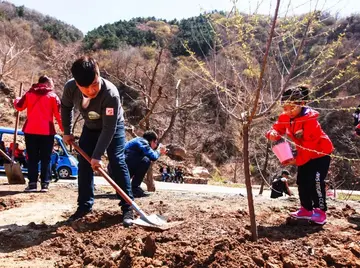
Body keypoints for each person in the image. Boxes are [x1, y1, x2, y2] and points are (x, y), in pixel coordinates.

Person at [61, 56, 134, 227]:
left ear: (98, 73)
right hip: (90, 126)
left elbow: (109, 129)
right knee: (84, 163)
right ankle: (84, 206)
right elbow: (65, 106)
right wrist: (67, 131)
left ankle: (128, 206)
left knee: (116, 160)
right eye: (86, 88)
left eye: (94, 84)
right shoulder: (70, 87)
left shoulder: (110, 94)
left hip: (113, 127)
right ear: (78, 85)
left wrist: (98, 155)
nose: (92, 91)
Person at [266, 85, 333, 225]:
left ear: (302, 104)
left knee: (315, 182)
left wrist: (295, 161)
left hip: (319, 154)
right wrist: (272, 134)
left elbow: (310, 147)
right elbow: (277, 128)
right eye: (285, 108)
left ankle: (320, 211)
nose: (288, 111)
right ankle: (306, 209)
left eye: (292, 108)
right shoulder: (286, 117)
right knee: (302, 181)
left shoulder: (309, 120)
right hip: (304, 152)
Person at [14, 75, 63, 192]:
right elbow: (59, 115)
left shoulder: (29, 94)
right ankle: (45, 184)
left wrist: (16, 99)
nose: (52, 86)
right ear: (46, 84)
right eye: (51, 84)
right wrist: (65, 130)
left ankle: (32, 184)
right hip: (47, 131)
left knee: (32, 158)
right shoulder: (53, 96)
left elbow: (19, 107)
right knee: (46, 158)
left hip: (30, 130)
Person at [124, 131, 167, 197]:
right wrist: (159, 151)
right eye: (156, 143)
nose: (155, 145)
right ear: (152, 141)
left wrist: (158, 152)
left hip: (117, 170)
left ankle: (125, 188)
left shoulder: (136, 140)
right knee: (146, 161)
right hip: (120, 171)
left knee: (144, 159)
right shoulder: (143, 142)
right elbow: (153, 157)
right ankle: (134, 188)